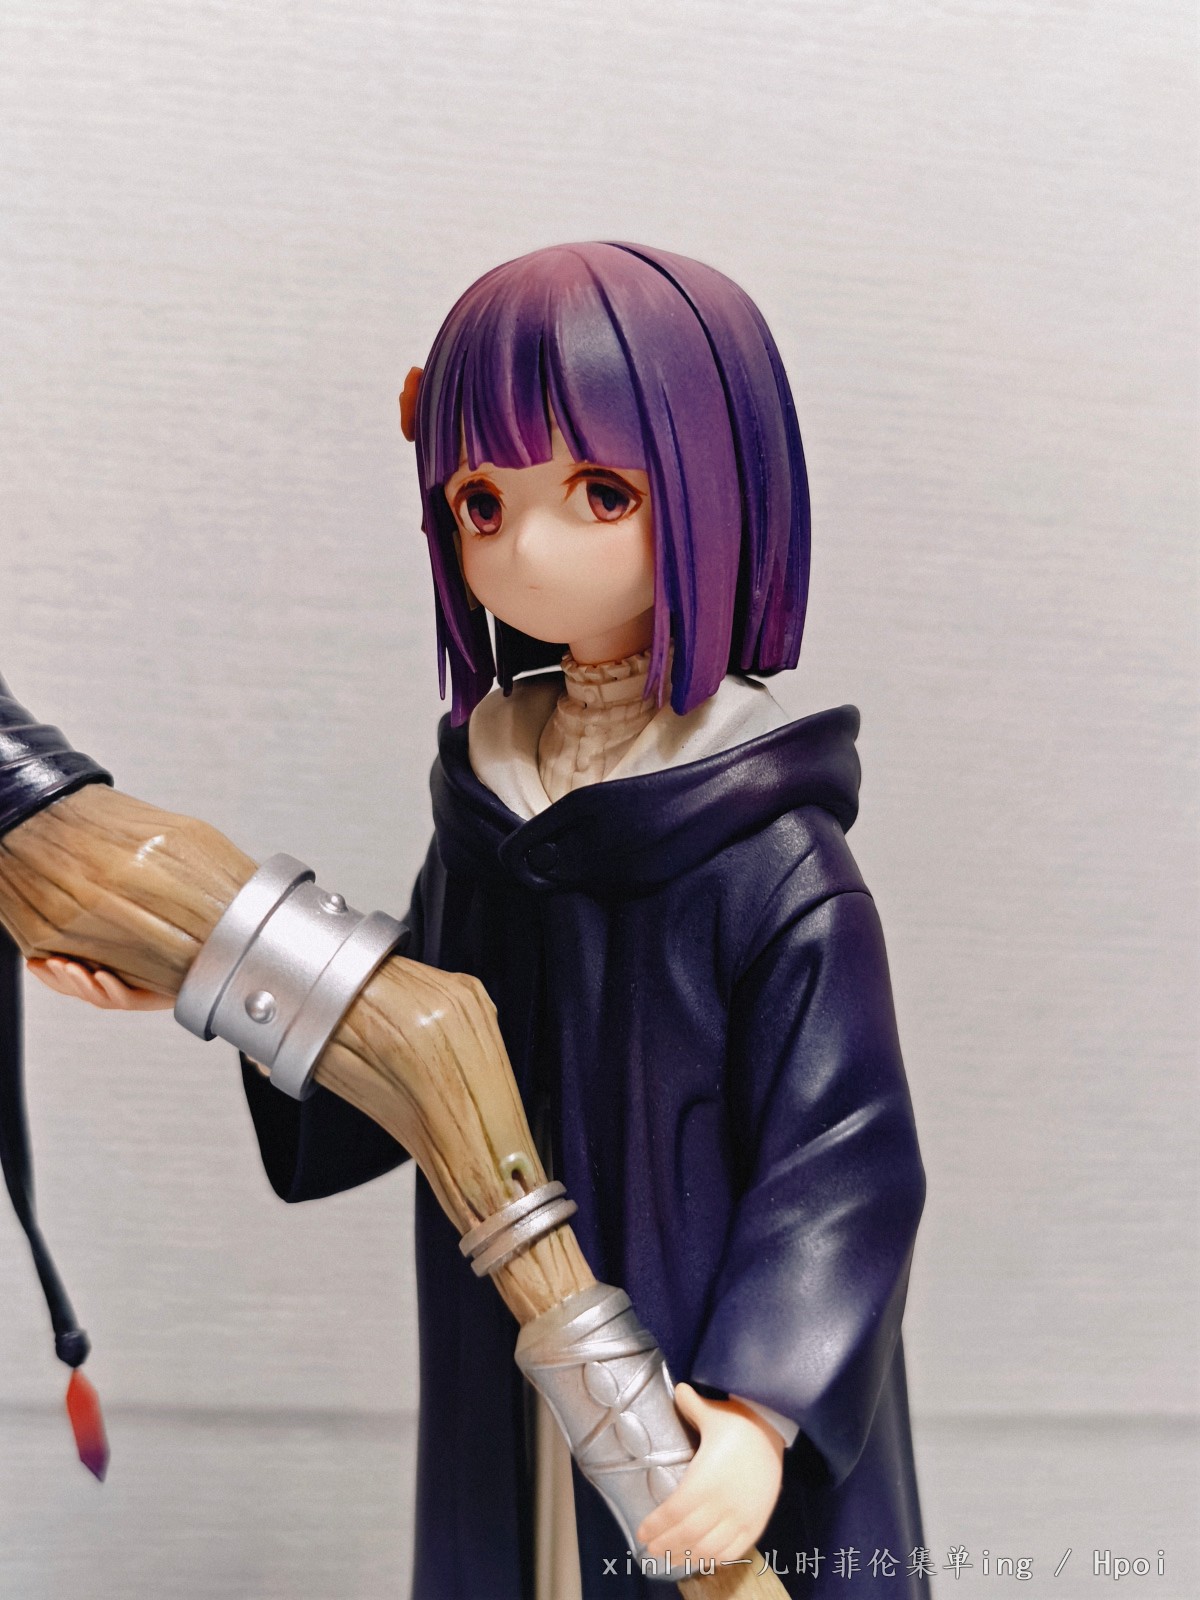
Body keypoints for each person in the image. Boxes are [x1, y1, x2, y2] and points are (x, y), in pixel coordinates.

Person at [32, 242, 926, 1599]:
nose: (528, 547)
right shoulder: (497, 803)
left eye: (602, 494)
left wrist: (761, 1409)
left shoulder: (773, 858)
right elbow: (409, 1024)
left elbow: (846, 1158)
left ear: (716, 484)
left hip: (691, 1349)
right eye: (481, 503)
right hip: (513, 1321)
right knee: (528, 1552)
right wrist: (204, 970)